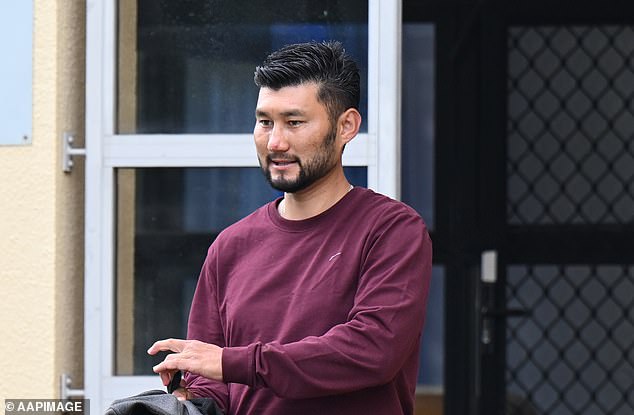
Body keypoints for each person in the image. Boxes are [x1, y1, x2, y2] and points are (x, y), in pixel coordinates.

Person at [148, 40, 432, 415]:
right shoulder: (231, 245)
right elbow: (212, 381)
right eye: (265, 121)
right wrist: (188, 401)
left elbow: (372, 350)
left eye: (294, 122)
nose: (275, 141)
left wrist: (234, 363)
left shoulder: (391, 230)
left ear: (346, 126)